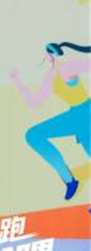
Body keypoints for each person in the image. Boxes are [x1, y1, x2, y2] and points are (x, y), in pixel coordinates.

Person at [10, 42, 90, 200]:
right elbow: (34, 103)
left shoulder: (68, 67)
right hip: (75, 116)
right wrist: (18, 81)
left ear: (51, 54)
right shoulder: (50, 77)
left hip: (86, 112)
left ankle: (70, 181)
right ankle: (69, 179)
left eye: (47, 53)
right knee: (33, 135)